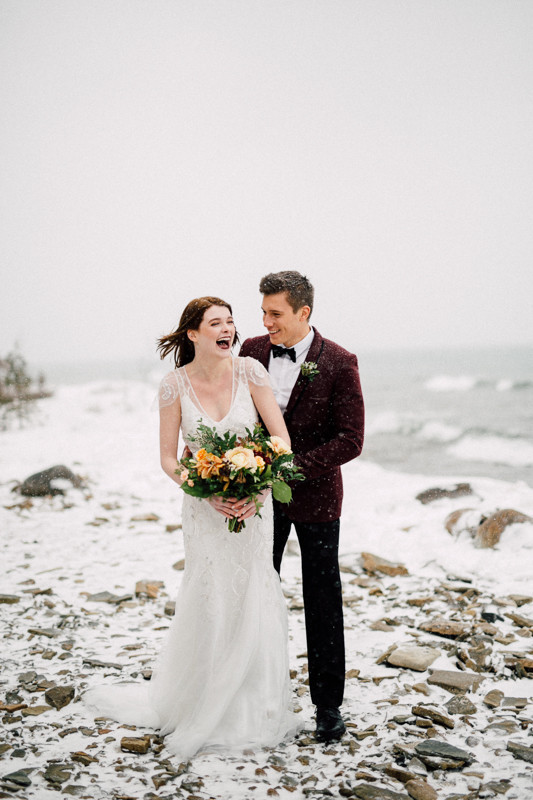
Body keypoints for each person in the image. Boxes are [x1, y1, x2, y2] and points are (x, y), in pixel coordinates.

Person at [84, 296, 300, 760]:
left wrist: (260, 490)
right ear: (194, 334)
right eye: (215, 323)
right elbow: (167, 458)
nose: (228, 330)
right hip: (204, 510)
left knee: (253, 592)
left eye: (230, 322)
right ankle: (202, 699)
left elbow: (279, 438)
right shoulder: (173, 385)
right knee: (210, 593)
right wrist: (204, 492)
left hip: (254, 508)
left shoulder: (251, 372)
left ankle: (254, 704)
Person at [239, 271, 364, 742]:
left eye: (275, 314)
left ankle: (328, 706)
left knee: (322, 598)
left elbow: (351, 439)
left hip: (317, 498)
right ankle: (249, 693)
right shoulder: (251, 351)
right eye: (263, 313)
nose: (266, 322)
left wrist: (291, 468)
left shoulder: (340, 361)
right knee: (253, 589)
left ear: (303, 312)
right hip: (258, 496)